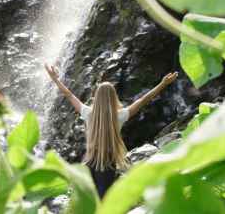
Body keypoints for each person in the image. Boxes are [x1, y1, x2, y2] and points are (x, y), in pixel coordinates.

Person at [44, 63, 178, 198]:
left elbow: (68, 94)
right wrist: (163, 84)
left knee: (88, 199)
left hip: (89, 162)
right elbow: (143, 100)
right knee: (104, 199)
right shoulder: (120, 116)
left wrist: (55, 79)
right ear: (114, 97)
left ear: (96, 97)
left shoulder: (88, 113)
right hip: (108, 164)